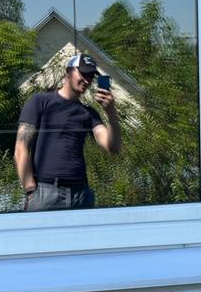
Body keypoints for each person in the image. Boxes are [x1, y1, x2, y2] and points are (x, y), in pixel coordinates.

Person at [14, 53, 121, 211]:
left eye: (91, 76)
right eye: (83, 74)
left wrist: (111, 112)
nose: (87, 80)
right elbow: (20, 148)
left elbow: (112, 146)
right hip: (46, 193)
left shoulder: (89, 113)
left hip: (81, 195)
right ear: (68, 72)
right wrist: (31, 191)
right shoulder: (40, 102)